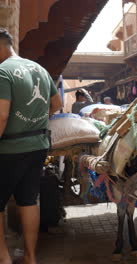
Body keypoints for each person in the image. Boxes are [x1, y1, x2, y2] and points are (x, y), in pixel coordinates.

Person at [0, 28, 62, 264]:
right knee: (28, 200)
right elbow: (57, 104)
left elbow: (2, 116)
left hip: (8, 149)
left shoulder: (2, 73)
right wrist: (35, 119)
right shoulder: (40, 70)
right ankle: (30, 257)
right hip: (38, 146)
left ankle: (4, 257)